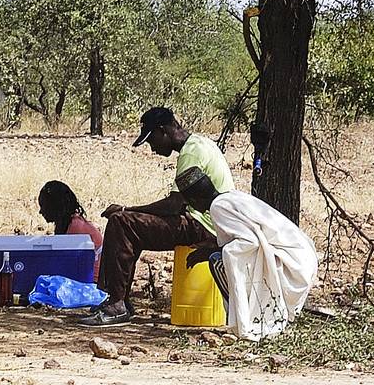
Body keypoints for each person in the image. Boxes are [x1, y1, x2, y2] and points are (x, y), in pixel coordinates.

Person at [82, 107, 234, 327]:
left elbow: (175, 204)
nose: (152, 148)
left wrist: (126, 209)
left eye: (151, 139)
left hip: (203, 225)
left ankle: (116, 304)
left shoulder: (191, 152)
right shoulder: (200, 144)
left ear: (163, 131)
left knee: (121, 222)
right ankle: (119, 300)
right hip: (209, 222)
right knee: (129, 224)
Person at [174, 168, 317, 340]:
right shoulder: (231, 197)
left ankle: (244, 321)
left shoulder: (218, 207)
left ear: (194, 199)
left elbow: (250, 242)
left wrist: (207, 252)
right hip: (303, 260)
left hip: (291, 265)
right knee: (221, 257)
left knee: (217, 261)